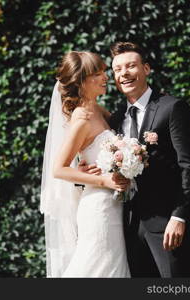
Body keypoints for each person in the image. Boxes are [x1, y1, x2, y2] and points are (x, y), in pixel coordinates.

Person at [81, 42, 190, 277]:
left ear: (146, 69)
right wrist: (89, 171)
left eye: (131, 66)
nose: (124, 74)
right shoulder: (115, 118)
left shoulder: (172, 108)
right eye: (117, 70)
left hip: (167, 225)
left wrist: (180, 216)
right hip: (126, 227)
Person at [40, 51, 131, 277]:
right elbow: (58, 169)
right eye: (97, 74)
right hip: (99, 208)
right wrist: (103, 180)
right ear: (81, 82)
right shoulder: (82, 119)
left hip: (113, 203)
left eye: (103, 72)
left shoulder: (98, 109)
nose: (105, 78)